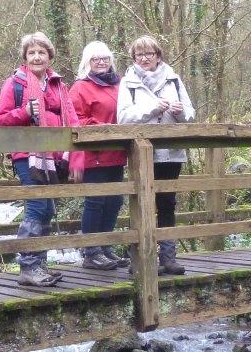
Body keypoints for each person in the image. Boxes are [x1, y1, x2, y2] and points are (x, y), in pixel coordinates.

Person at [0, 32, 84, 287]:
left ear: (49, 56)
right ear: (24, 57)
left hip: (54, 157)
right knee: (36, 206)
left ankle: (39, 264)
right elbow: (0, 120)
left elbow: (73, 121)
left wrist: (76, 157)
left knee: (47, 208)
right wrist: (24, 112)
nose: (36, 57)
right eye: (31, 53)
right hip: (26, 154)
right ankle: (28, 266)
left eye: (41, 52)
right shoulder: (15, 83)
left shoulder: (58, 86)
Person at [117, 35, 195, 275]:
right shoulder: (128, 82)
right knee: (143, 203)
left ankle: (168, 258)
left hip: (171, 151)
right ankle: (142, 258)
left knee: (167, 203)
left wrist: (180, 112)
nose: (144, 58)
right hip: (141, 153)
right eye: (139, 55)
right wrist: (153, 107)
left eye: (149, 54)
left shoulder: (173, 79)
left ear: (158, 56)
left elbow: (190, 114)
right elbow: (123, 118)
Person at [69, 41, 128, 271]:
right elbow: (75, 119)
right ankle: (91, 251)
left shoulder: (120, 84)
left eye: (105, 58)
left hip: (117, 152)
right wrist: (102, 128)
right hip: (93, 153)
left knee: (115, 200)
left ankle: (105, 246)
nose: (101, 62)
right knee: (96, 201)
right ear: (88, 62)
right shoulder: (80, 87)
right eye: (96, 59)